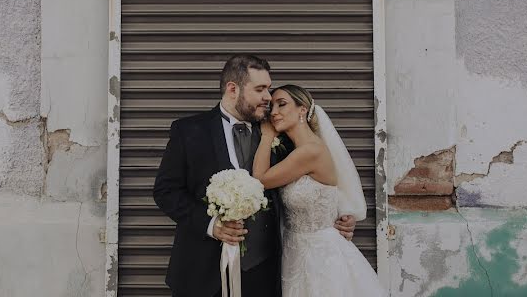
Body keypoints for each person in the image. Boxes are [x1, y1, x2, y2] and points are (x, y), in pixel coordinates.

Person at [153, 55, 357, 297]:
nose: (268, 98)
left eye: (269, 89)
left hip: (264, 274)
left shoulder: (281, 137)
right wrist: (212, 225)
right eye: (260, 89)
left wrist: (337, 217)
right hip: (200, 273)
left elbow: (315, 182)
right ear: (232, 89)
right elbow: (166, 192)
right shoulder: (189, 131)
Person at [252, 84, 386, 297]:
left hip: (320, 257)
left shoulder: (311, 151)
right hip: (296, 251)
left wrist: (267, 136)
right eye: (272, 107)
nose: (274, 112)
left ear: (302, 110)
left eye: (282, 104)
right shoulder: (294, 150)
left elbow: (260, 179)